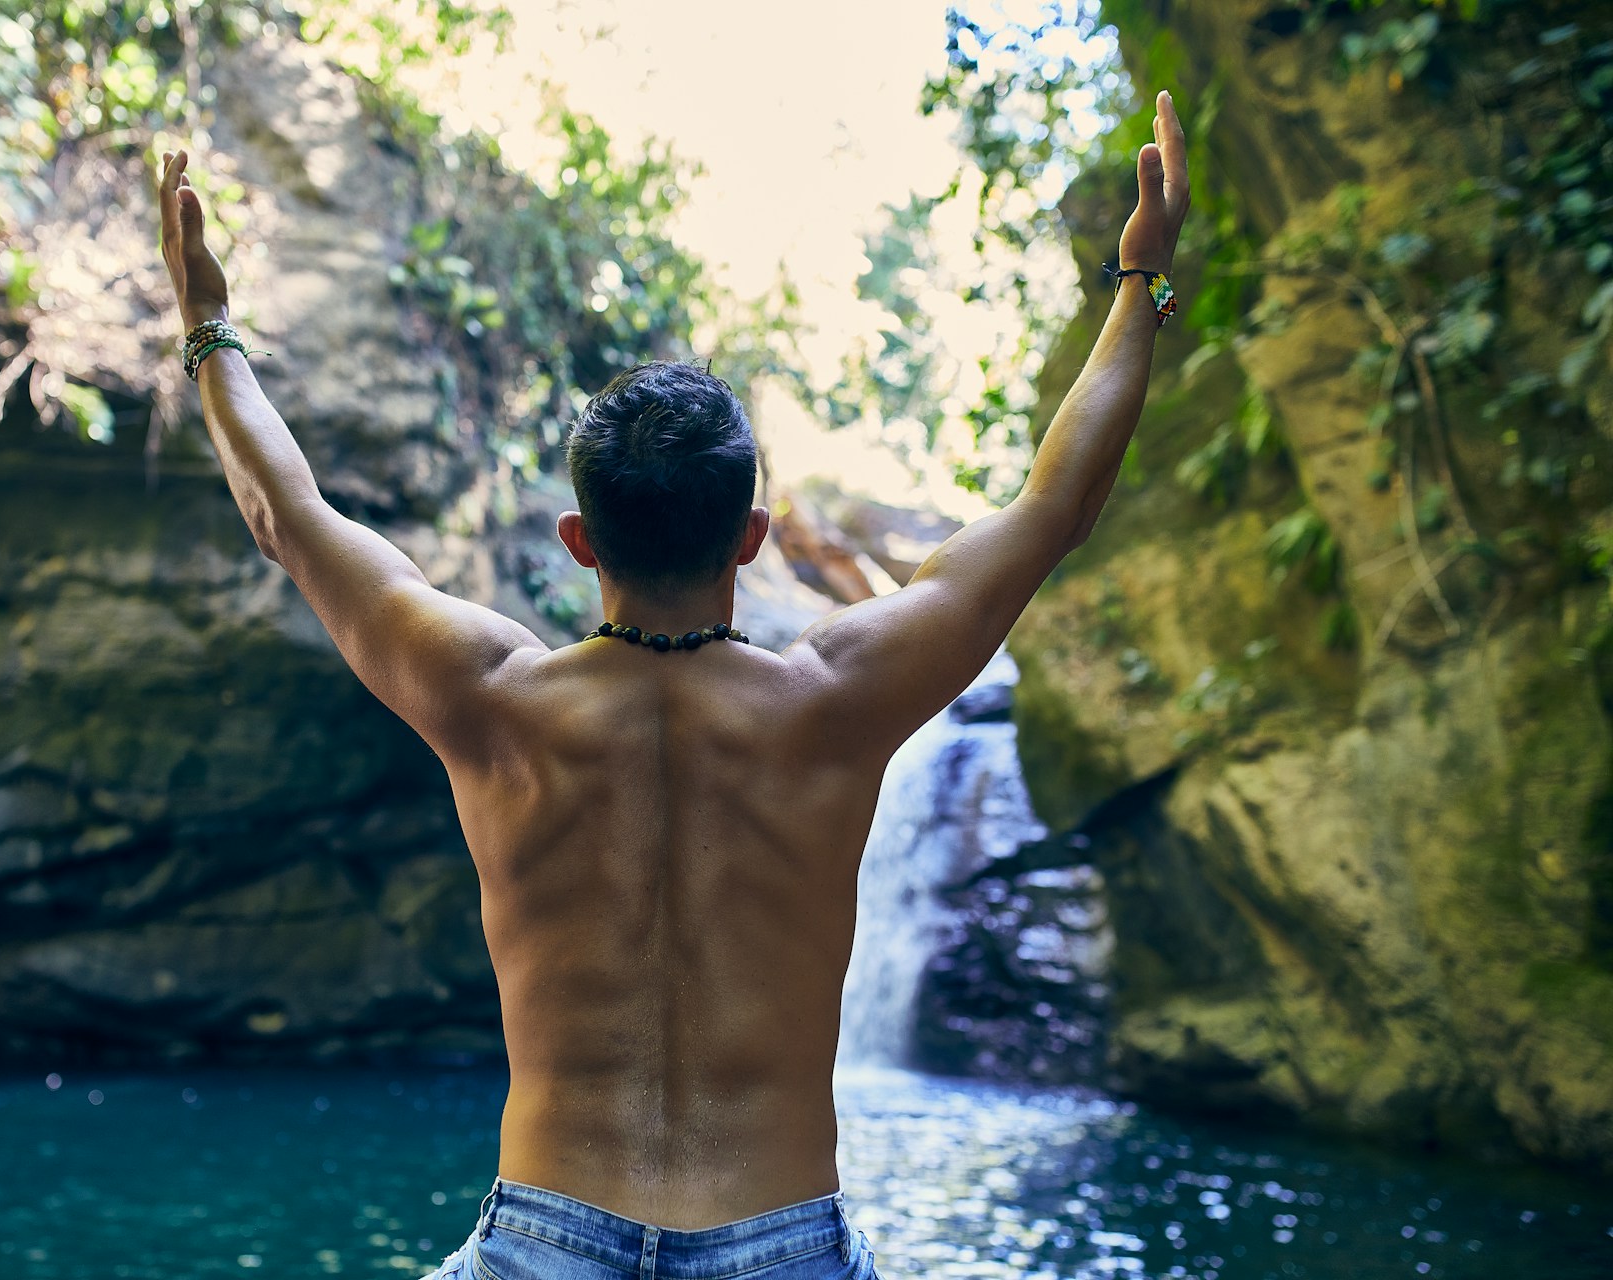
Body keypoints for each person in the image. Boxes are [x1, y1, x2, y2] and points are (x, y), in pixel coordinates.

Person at [155, 84, 1189, 1280]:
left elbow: (286, 516)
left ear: (577, 539)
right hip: (784, 1242)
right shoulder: (836, 701)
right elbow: (1057, 506)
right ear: (752, 537)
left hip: (544, 1240)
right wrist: (1141, 282)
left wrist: (210, 326)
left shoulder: (491, 701)